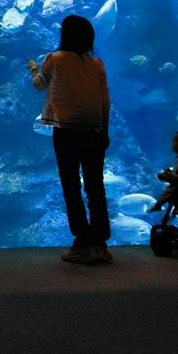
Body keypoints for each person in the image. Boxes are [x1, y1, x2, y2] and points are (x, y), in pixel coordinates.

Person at [29, 14, 112, 265]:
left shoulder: (53, 59)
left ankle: (82, 241)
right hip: (94, 130)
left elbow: (39, 86)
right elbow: (105, 100)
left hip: (65, 129)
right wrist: (104, 132)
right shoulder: (97, 64)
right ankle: (100, 240)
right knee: (95, 186)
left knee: (71, 186)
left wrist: (33, 68)